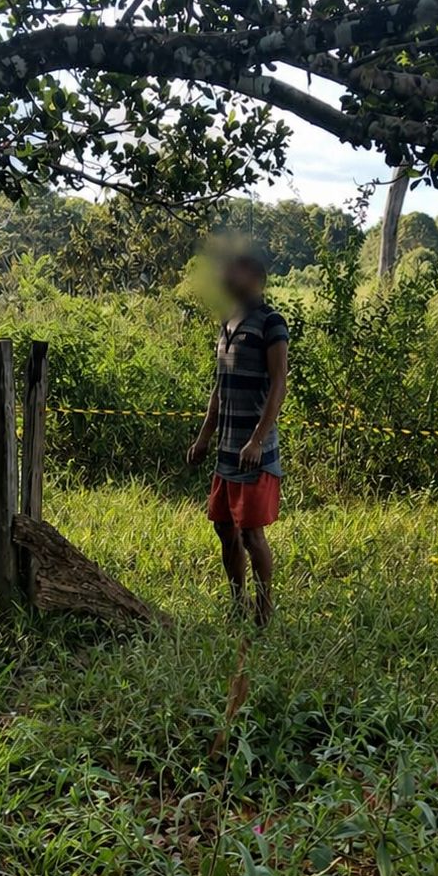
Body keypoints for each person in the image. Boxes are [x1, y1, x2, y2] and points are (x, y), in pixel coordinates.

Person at [186, 253, 289, 627]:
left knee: (250, 533)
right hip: (227, 451)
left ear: (257, 279)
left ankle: (263, 611)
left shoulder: (271, 323)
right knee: (223, 528)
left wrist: (258, 440)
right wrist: (203, 438)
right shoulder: (227, 322)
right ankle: (237, 603)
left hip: (253, 452)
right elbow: (219, 387)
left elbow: (279, 385)